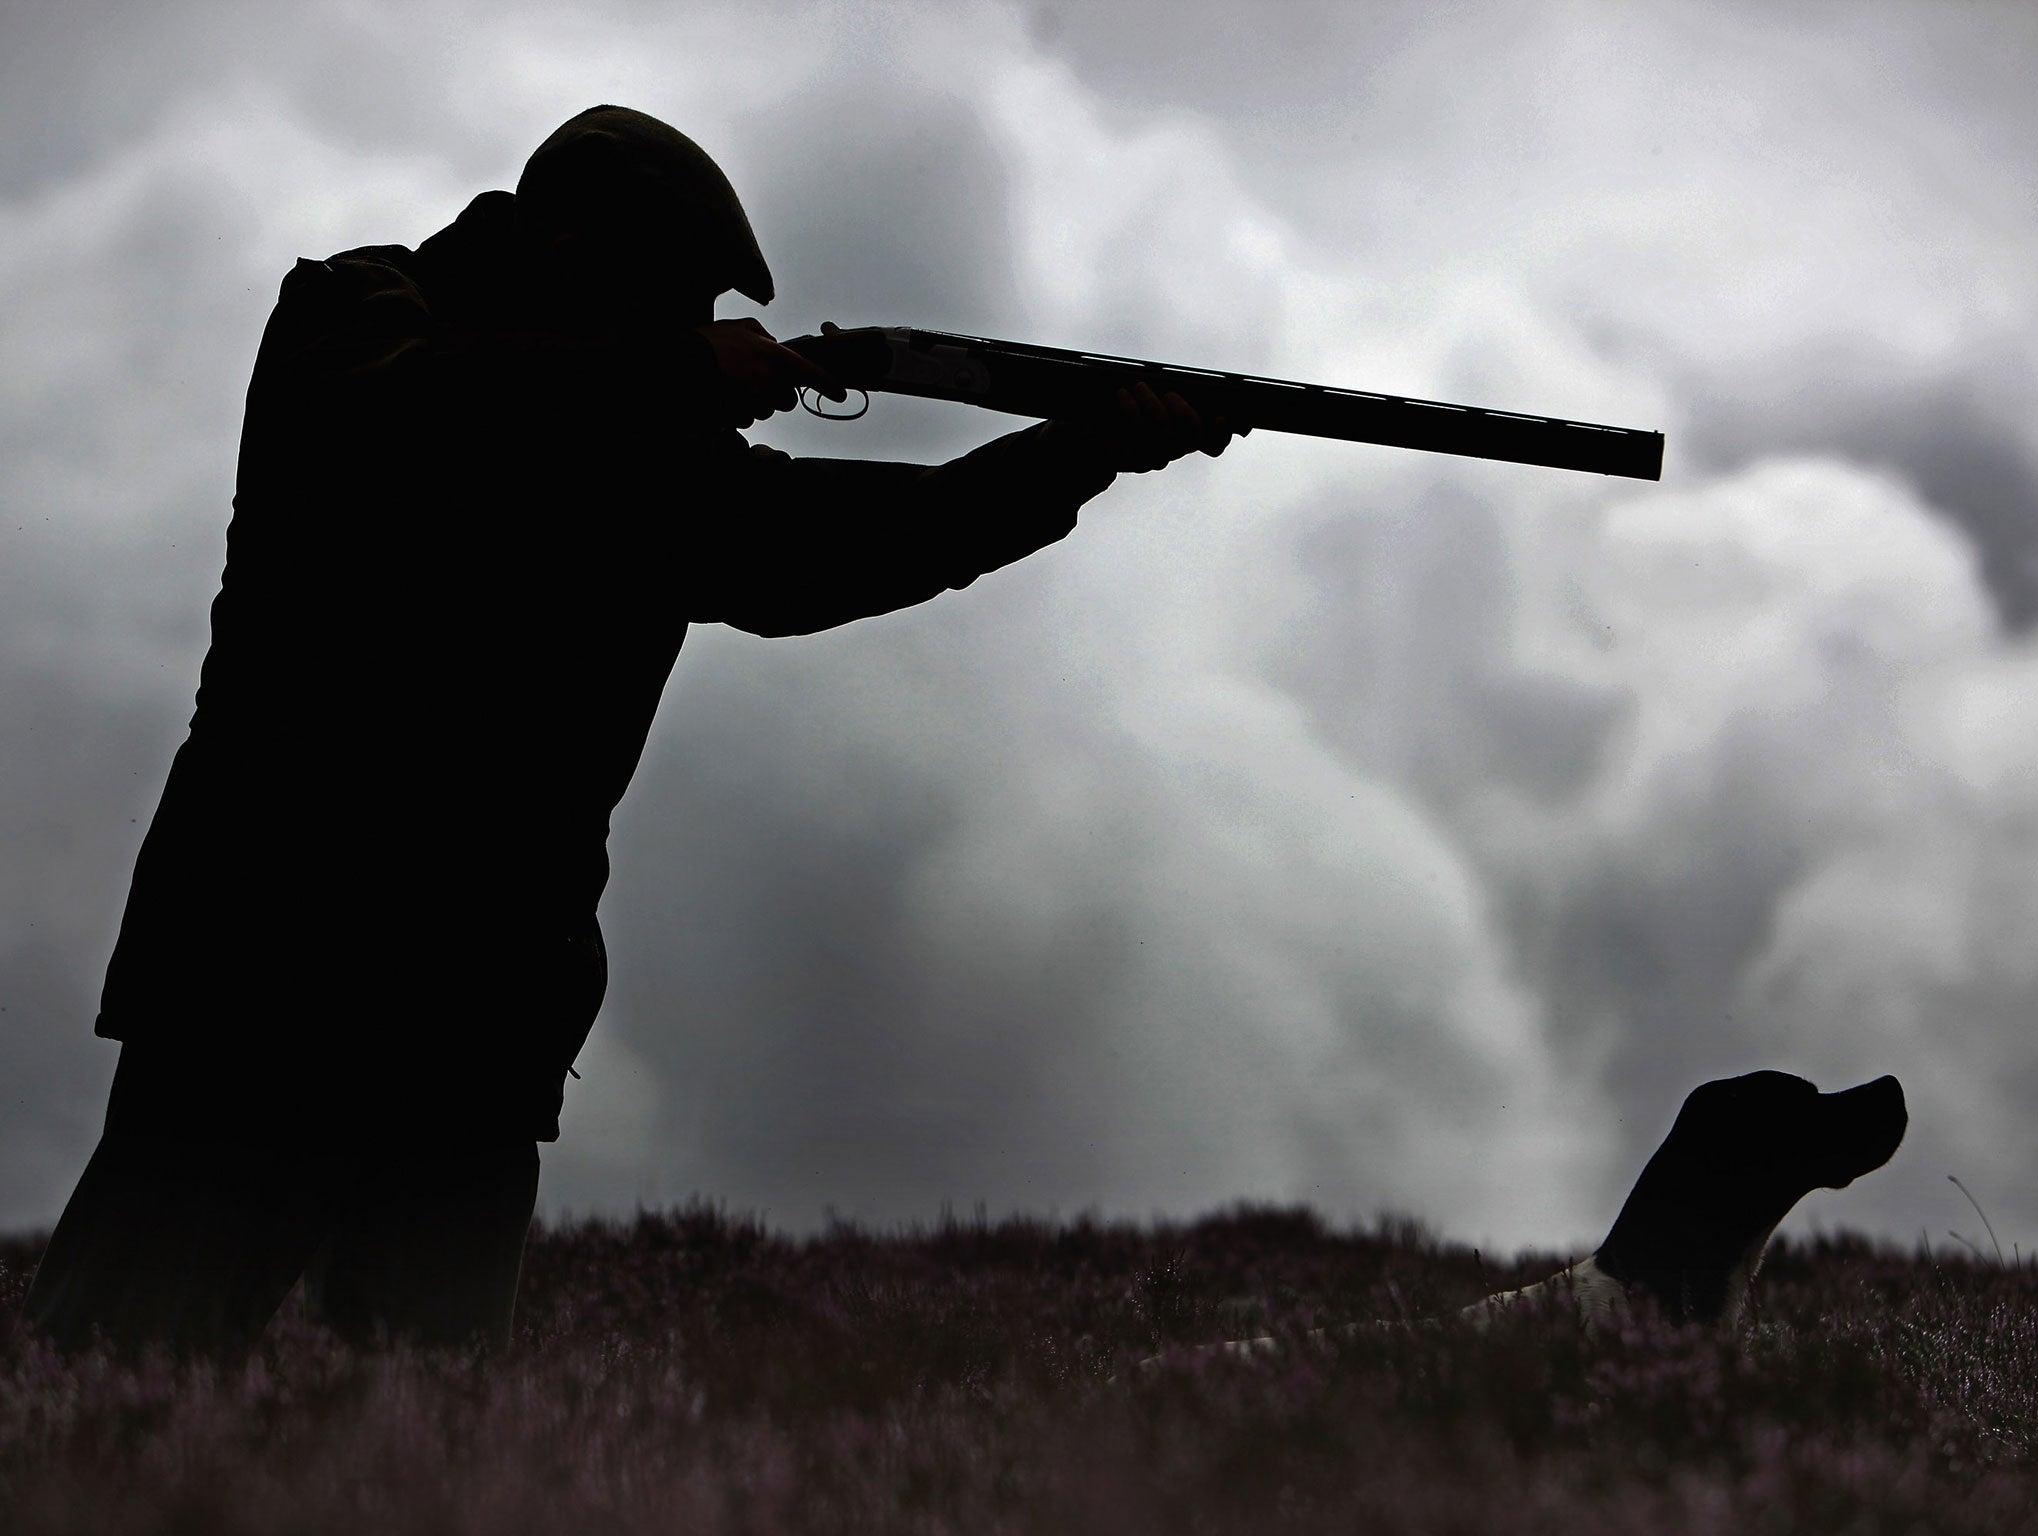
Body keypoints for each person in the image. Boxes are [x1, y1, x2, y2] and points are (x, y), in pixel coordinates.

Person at [23, 104, 1237, 1358]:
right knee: (111, 1380)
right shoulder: (357, 317)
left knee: (418, 1444)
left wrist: (1080, 454)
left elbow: (875, 538)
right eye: (677, 294)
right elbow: (408, 428)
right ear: (566, 247)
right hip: (273, 975)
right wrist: (677, 378)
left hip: (479, 1011)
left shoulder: (643, 461)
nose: (696, 325)